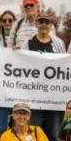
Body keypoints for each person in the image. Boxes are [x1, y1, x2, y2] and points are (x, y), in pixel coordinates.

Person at [22, 10, 66, 141]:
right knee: (34, 133)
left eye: (47, 22)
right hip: (35, 98)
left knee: (53, 134)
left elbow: (65, 65)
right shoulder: (28, 43)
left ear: (51, 24)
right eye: (41, 22)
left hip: (54, 97)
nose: (44, 25)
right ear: (36, 23)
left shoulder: (58, 43)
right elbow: (22, 65)